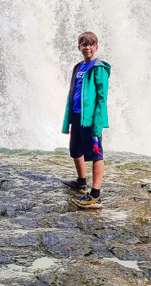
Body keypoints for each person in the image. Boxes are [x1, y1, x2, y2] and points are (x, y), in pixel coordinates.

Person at [61, 31, 111, 209]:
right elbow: (72, 93)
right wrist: (67, 120)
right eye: (84, 44)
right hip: (76, 115)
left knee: (96, 153)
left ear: (96, 47)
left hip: (91, 119)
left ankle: (95, 194)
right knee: (75, 149)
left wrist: (97, 124)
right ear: (79, 47)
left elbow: (102, 98)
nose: (87, 47)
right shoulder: (77, 68)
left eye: (91, 44)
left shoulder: (99, 68)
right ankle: (81, 181)